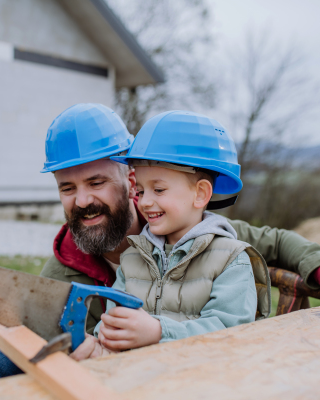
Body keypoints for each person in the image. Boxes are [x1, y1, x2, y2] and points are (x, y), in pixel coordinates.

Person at [0, 103, 320, 382]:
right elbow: (59, 336)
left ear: (129, 178)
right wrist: (82, 346)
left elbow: (275, 243)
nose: (82, 200)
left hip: (193, 369)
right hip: (119, 373)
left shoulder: (190, 231)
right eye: (67, 188)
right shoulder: (66, 263)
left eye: (97, 181)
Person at [81, 110, 270, 357]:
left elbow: (230, 333)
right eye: (140, 191)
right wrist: (99, 344)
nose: (145, 202)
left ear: (201, 194)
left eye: (158, 189)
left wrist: (160, 332)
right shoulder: (133, 258)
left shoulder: (230, 260)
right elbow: (114, 323)